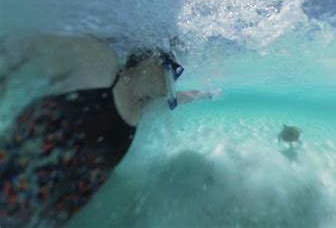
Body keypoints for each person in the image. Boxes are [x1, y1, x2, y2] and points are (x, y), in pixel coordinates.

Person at [0, 34, 217, 227]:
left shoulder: (143, 106)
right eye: (172, 71)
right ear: (152, 56)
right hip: (18, 172)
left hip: (47, 209)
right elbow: (24, 46)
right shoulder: (99, 62)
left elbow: (178, 98)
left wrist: (203, 93)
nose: (171, 83)